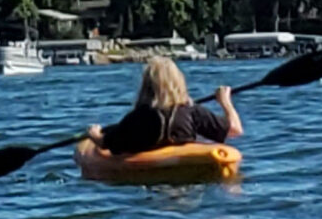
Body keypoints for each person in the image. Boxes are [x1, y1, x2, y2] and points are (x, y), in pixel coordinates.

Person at [85, 57, 242, 156]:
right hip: (187, 180)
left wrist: (95, 135)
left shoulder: (138, 117)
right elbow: (235, 130)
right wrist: (225, 102)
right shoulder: (192, 112)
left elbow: (107, 144)